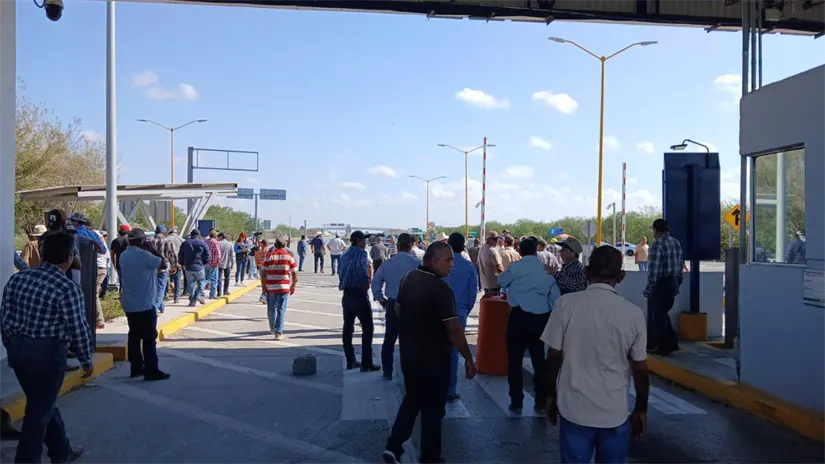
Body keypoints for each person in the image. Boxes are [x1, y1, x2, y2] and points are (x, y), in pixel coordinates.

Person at [542, 245, 649, 464]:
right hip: (614, 412)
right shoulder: (634, 314)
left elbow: (553, 357)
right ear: (621, 277)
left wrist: (549, 395)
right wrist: (640, 409)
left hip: (574, 410)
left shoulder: (565, 305)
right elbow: (640, 368)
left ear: (586, 271)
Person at [382, 242, 476, 464]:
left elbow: (398, 309)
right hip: (434, 359)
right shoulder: (441, 289)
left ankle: (393, 446)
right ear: (433, 261)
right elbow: (453, 329)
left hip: (410, 356)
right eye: (448, 260)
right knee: (433, 410)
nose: (452, 264)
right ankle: (431, 458)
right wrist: (469, 358)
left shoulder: (409, 278)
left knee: (412, 400)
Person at [1, 230, 90, 463]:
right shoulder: (67, 288)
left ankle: (62, 450)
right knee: (37, 413)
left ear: (42, 253)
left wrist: (10, 345)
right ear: (70, 256)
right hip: (46, 356)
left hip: (18, 353)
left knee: (43, 403)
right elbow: (77, 328)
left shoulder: (19, 278)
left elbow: (5, 317)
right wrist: (86, 359)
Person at [497, 237, 560, 414]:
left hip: (518, 318)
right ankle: (540, 401)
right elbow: (555, 298)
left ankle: (516, 401)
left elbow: (501, 281)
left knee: (514, 360)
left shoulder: (515, 268)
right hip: (540, 320)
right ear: (535, 251)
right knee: (539, 360)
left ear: (520, 251)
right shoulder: (546, 271)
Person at [119, 228, 171, 381]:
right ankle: (151, 370)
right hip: (145, 303)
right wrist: (152, 248)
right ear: (142, 241)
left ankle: (136, 367)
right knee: (149, 338)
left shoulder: (124, 255)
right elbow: (163, 264)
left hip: (129, 302)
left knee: (134, 335)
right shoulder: (145, 255)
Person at [371, 233, 420, 380]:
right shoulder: (417, 263)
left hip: (392, 304)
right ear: (411, 245)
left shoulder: (388, 263)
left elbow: (375, 282)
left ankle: (387, 371)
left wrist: (381, 299)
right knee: (410, 342)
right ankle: (410, 372)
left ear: (397, 246)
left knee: (389, 340)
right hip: (412, 306)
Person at [442, 233, 478, 402]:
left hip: (438, 312)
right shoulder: (468, 267)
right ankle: (451, 389)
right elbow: (472, 295)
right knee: (454, 351)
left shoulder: (439, 264)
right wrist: (464, 310)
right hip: (459, 313)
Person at [338, 230, 380, 371]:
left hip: (347, 294)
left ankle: (350, 360)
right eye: (363, 240)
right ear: (357, 241)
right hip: (358, 294)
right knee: (367, 328)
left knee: (348, 327)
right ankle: (366, 362)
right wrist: (366, 284)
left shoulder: (344, 255)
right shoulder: (362, 253)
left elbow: (341, 273)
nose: (365, 242)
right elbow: (363, 271)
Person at [645, 219, 684, 355]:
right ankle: (672, 342)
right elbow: (680, 265)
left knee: (657, 314)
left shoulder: (657, 245)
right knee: (662, 312)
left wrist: (649, 287)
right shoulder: (676, 242)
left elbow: (653, 269)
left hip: (661, 283)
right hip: (673, 282)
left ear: (656, 230)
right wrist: (677, 283)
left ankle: (663, 346)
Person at [261, 236, 298, 340]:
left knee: (271, 308)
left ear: (275, 245)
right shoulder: (289, 256)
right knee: (281, 309)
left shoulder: (269, 256)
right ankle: (278, 332)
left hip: (271, 286)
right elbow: (294, 273)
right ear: (285, 245)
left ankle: (273, 327)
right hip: (284, 286)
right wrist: (293, 285)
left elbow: (263, 273)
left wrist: (263, 287)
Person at [179, 229, 211, 307]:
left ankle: (192, 301)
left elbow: (180, 254)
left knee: (191, 284)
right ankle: (198, 295)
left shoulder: (185, 243)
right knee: (203, 281)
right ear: (199, 235)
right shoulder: (202, 243)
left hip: (188, 267)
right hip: (199, 266)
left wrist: (182, 263)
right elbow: (207, 254)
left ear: (191, 235)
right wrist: (205, 262)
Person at [151, 226, 177, 314]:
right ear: (164, 233)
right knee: (161, 287)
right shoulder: (167, 241)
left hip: (152, 267)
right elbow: (171, 255)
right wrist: (174, 266)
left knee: (155, 288)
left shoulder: (149, 241)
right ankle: (155, 308)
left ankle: (161, 307)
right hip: (164, 267)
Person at [203, 230, 222, 299]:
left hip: (205, 264)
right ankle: (212, 295)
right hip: (213, 264)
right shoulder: (215, 242)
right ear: (215, 236)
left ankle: (199, 292)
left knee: (205, 279)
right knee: (213, 280)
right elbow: (218, 254)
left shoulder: (205, 242)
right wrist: (217, 263)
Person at [217, 232, 234, 296]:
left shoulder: (218, 244)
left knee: (219, 278)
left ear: (221, 237)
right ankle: (225, 291)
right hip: (227, 263)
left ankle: (219, 291)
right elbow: (232, 255)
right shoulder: (230, 244)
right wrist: (232, 263)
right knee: (227, 278)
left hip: (219, 264)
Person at [254, 239, 269, 304]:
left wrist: (258, 264)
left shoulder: (258, 252)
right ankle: (264, 297)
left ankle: (263, 296)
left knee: (263, 283)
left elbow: (256, 260)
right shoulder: (268, 252)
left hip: (261, 268)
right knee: (267, 283)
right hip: (267, 269)